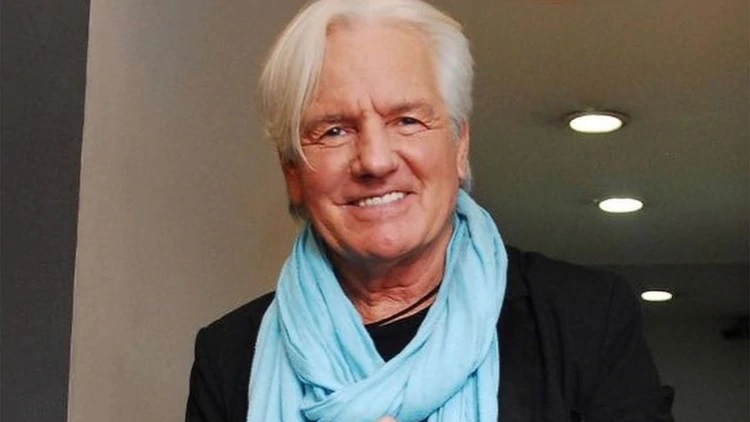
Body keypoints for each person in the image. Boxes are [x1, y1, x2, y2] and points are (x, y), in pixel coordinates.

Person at [186, 0, 674, 421]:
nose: (375, 160)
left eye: (407, 120)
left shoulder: (583, 318)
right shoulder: (229, 354)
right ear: (292, 171)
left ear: (459, 146)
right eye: (334, 130)